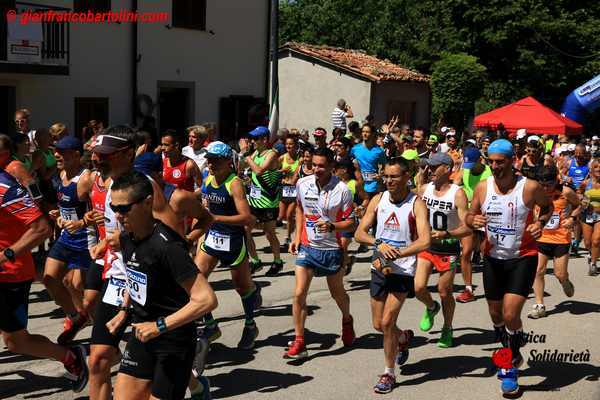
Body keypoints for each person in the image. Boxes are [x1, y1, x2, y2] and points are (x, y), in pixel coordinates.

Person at [87, 126, 182, 400]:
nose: (98, 159)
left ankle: (194, 383)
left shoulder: (143, 186)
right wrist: (106, 243)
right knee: (98, 361)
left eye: (106, 155)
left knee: (155, 356)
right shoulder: (106, 185)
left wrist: (130, 241)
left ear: (128, 154)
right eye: (96, 154)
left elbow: (172, 234)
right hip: (116, 279)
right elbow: (116, 232)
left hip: (145, 282)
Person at [105, 171, 218, 400]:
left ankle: (198, 387)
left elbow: (206, 299)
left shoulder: (168, 246)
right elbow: (137, 275)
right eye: (113, 207)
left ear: (147, 203)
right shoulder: (128, 238)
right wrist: (124, 310)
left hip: (173, 341)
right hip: (142, 334)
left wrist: (159, 326)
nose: (117, 215)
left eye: (124, 209)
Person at [465, 139, 553, 395]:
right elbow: (470, 215)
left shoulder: (530, 187)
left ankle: (509, 368)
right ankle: (514, 338)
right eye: (491, 161)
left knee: (510, 314)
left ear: (512, 160)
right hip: (493, 259)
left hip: (522, 258)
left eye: (500, 162)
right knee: (496, 316)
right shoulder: (483, 188)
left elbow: (546, 208)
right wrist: (473, 219)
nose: (494, 166)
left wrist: (541, 223)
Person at [0, 158, 89, 392]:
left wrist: (5, 255)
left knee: (16, 342)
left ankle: (70, 357)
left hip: (9, 275)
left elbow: (41, 228)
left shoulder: (6, 188)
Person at [354, 157, 431, 394]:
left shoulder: (416, 203)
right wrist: (379, 243)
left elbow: (425, 240)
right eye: (385, 176)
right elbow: (359, 233)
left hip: (404, 270)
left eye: (394, 176)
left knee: (387, 322)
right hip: (380, 266)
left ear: (407, 177)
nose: (388, 181)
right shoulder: (378, 199)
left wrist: (398, 253)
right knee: (379, 325)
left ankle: (388, 373)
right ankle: (403, 337)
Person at [286, 147, 356, 359]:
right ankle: (299, 341)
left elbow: (351, 221)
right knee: (299, 293)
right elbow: (299, 208)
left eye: (321, 166)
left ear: (332, 167)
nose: (316, 169)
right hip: (308, 247)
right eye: (314, 164)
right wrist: (297, 236)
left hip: (331, 248)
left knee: (337, 293)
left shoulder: (342, 190)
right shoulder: (302, 183)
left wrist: (334, 226)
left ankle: (346, 319)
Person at [195, 142, 261, 350]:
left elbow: (247, 218)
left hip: (232, 241)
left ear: (227, 162)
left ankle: (250, 325)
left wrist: (216, 218)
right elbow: (205, 201)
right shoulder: (208, 178)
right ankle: (210, 324)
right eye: (209, 159)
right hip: (212, 238)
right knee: (195, 281)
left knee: (241, 287)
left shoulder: (235, 183)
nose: (210, 163)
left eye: (215, 159)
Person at [416, 153, 470, 348]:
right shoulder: (424, 189)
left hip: (448, 249)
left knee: (445, 291)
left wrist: (447, 233)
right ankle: (431, 307)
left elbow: (467, 226)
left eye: (434, 166)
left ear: (447, 169)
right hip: (427, 245)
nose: (429, 169)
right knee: (419, 287)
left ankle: (447, 328)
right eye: (428, 166)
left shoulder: (457, 193)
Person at [44, 137, 95, 344]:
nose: (56, 155)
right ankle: (76, 317)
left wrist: (81, 222)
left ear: (75, 154)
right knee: (49, 279)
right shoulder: (62, 173)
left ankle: (102, 325)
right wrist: (58, 214)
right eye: (56, 151)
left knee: (75, 284)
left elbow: (98, 211)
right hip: (66, 237)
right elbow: (67, 204)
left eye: (62, 152)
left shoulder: (86, 179)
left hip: (84, 240)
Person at [528, 165, 579, 319]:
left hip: (561, 239)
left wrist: (572, 218)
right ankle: (539, 305)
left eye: (548, 185)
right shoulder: (535, 192)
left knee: (559, 273)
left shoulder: (566, 192)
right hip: (541, 237)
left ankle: (565, 281)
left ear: (556, 180)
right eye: (541, 185)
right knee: (538, 271)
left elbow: (581, 204)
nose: (545, 188)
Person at [240, 126, 284, 275]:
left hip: (268, 202)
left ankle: (277, 261)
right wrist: (245, 154)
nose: (252, 141)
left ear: (264, 139)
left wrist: (247, 154)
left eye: (255, 139)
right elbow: (244, 167)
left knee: (269, 233)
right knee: (245, 230)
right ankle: (255, 261)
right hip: (254, 200)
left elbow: (259, 171)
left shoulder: (271, 154)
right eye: (251, 139)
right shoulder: (255, 153)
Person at [455, 147, 492, 302]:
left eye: (472, 164)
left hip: (485, 215)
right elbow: (455, 184)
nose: (468, 169)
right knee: (466, 252)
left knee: (487, 253)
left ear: (480, 160)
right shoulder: (465, 169)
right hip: (468, 214)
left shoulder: (490, 172)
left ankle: (496, 286)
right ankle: (468, 289)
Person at [351, 124, 386, 199]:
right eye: (363, 131)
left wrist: (381, 175)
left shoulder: (379, 151)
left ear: (373, 134)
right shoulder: (355, 149)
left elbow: (385, 167)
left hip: (373, 186)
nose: (365, 134)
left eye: (367, 132)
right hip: (359, 186)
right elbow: (350, 164)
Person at [278, 135, 301, 246]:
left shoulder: (300, 159)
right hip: (284, 189)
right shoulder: (282, 158)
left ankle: (288, 236)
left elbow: (301, 173)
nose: (288, 146)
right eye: (287, 144)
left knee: (289, 215)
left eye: (291, 144)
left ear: (296, 145)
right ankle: (293, 228)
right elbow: (274, 170)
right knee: (281, 216)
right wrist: (282, 171)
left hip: (294, 189)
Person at [581, 159, 600, 275]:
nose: (599, 169)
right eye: (596, 166)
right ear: (591, 169)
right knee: (588, 242)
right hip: (586, 215)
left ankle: (593, 263)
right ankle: (592, 253)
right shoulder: (585, 183)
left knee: (596, 240)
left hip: (599, 216)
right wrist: (582, 201)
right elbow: (578, 194)